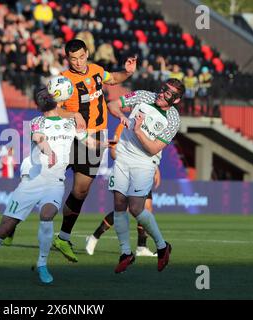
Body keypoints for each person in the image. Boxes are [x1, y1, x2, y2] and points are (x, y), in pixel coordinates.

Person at [0, 88, 97, 285]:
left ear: (56, 100)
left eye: (47, 96)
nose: (45, 100)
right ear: (39, 106)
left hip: (54, 183)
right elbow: (40, 139)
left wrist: (105, 145)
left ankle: (42, 264)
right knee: (5, 228)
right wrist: (49, 152)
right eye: (42, 99)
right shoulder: (36, 122)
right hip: (31, 182)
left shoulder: (70, 124)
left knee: (47, 215)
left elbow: (89, 142)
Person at [52, 39, 137, 263]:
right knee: (44, 182)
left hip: (96, 137)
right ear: (67, 58)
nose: (78, 62)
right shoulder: (63, 80)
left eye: (81, 57)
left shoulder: (98, 71)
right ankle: (12, 222)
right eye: (73, 58)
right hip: (70, 136)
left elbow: (114, 78)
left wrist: (126, 73)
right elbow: (53, 110)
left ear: (87, 53)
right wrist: (74, 115)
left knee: (80, 191)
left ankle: (63, 237)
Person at [107, 78, 184, 273]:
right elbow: (113, 104)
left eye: (168, 93)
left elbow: (153, 149)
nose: (162, 93)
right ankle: (125, 253)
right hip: (123, 155)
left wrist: (138, 131)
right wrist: (120, 115)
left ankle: (161, 246)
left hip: (144, 162)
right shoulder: (143, 96)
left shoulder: (173, 120)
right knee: (118, 203)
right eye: (163, 89)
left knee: (135, 207)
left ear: (175, 100)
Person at [85, 123, 160, 257]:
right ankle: (94, 237)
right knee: (123, 209)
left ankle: (141, 247)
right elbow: (113, 151)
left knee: (147, 208)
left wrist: (155, 169)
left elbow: (150, 151)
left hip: (142, 171)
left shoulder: (149, 125)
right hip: (125, 170)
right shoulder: (123, 126)